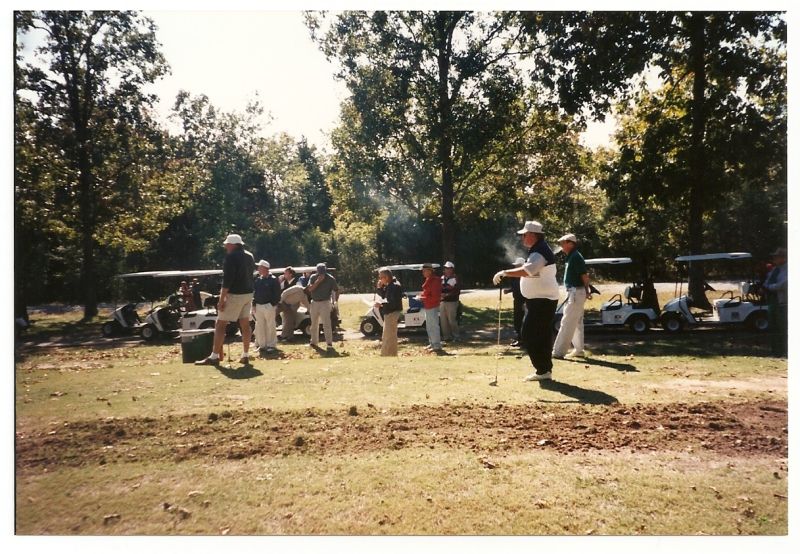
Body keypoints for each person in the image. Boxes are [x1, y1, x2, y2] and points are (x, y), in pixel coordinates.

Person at [493, 221, 559, 381]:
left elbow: (528, 270)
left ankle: (542, 370)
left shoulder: (539, 251)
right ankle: (544, 370)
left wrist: (505, 273)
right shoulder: (537, 250)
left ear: (533, 235)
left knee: (529, 334)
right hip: (540, 300)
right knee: (540, 335)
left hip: (543, 300)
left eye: (525, 234)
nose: (522, 237)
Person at [196, 233, 255, 366]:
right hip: (248, 294)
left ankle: (214, 356)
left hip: (235, 294)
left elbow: (227, 280)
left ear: (233, 244)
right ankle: (245, 354)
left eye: (227, 244)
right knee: (245, 324)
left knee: (220, 324)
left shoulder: (231, 257)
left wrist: (221, 299)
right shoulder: (249, 256)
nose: (226, 247)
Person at [551, 233, 592, 359]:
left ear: (571, 243)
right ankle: (579, 350)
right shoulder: (571, 256)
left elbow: (584, 276)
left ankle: (558, 352)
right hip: (575, 292)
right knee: (577, 323)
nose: (561, 246)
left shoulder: (576, 257)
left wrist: (587, 290)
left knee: (567, 322)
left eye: (563, 243)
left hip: (576, 292)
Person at [306, 262, 339, 350]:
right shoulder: (313, 277)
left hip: (325, 302)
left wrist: (335, 301)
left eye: (323, 271)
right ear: (317, 271)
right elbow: (310, 289)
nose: (321, 274)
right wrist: (318, 281)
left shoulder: (331, 279)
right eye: (320, 272)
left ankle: (329, 343)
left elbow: (336, 290)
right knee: (314, 324)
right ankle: (314, 342)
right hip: (315, 302)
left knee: (326, 323)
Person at [252, 260, 281, 355]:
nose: (258, 269)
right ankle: (262, 345)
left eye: (260, 267)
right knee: (260, 325)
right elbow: (255, 293)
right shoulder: (258, 279)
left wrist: (272, 304)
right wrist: (254, 304)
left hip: (269, 306)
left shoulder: (273, 279)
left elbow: (277, 294)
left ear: (265, 268)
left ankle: (271, 345)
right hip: (259, 306)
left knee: (270, 325)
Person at [762, 247, 787, 357]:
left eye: (777, 257)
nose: (774, 259)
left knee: (783, 327)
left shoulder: (789, 269)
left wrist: (769, 287)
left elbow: (783, 285)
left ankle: (785, 350)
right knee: (773, 326)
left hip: (783, 303)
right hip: (772, 301)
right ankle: (776, 350)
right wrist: (764, 287)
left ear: (784, 258)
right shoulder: (774, 270)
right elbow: (767, 281)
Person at [375, 267, 404, 356]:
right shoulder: (390, 285)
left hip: (392, 313)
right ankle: (387, 353)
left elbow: (393, 303)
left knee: (389, 336)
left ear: (386, 277)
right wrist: (380, 289)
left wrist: (381, 304)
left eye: (381, 278)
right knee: (387, 335)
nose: (380, 280)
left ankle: (389, 354)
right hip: (389, 312)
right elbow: (385, 297)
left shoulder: (394, 286)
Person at [503, 257, 527, 347]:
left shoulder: (525, 276)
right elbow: (515, 288)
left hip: (523, 301)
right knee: (517, 320)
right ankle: (519, 339)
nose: (516, 267)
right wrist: (509, 291)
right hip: (516, 300)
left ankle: (523, 340)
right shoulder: (515, 277)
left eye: (517, 265)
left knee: (523, 321)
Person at [419, 263, 443, 352]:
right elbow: (426, 292)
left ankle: (437, 345)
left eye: (424, 271)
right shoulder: (428, 280)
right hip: (428, 305)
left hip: (432, 305)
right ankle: (432, 343)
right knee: (429, 326)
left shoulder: (435, 281)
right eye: (423, 271)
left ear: (430, 271)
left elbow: (435, 296)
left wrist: (423, 298)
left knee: (434, 326)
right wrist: (421, 296)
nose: (423, 273)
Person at [277, 267, 302, 340]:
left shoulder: (297, 282)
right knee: (285, 319)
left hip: (294, 303)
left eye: (285, 273)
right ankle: (286, 335)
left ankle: (288, 336)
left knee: (290, 319)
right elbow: (279, 290)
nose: (284, 275)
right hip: (285, 303)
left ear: (290, 274)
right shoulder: (284, 282)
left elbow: (299, 291)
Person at [440, 261, 461, 342]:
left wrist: (447, 295)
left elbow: (457, 291)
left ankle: (456, 336)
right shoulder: (441, 278)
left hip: (452, 302)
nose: (447, 270)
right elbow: (439, 288)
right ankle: (446, 337)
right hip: (442, 302)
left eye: (448, 268)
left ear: (452, 269)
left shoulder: (455, 278)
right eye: (445, 268)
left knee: (452, 320)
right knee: (443, 320)